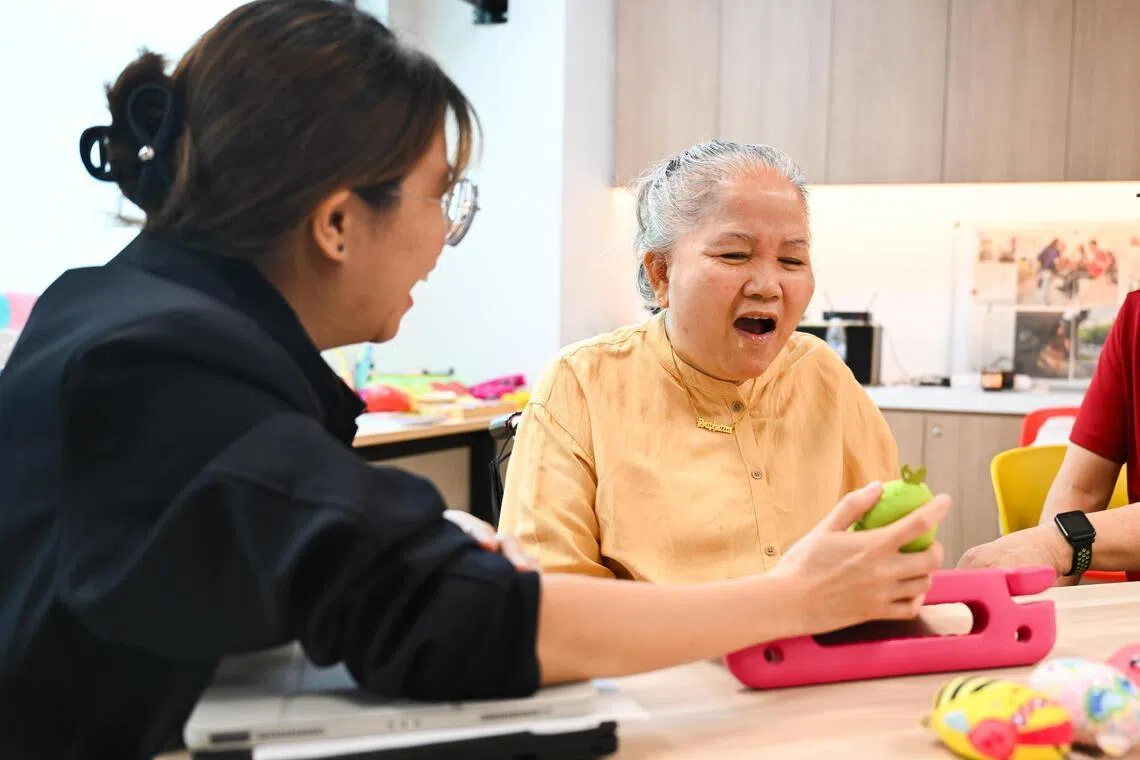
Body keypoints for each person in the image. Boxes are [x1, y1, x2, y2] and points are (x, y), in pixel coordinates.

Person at [0, 4, 948, 757]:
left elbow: (227, 553)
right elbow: (459, 615)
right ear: (338, 223)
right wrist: (794, 599)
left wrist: (391, 536)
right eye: (441, 195)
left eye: (793, 257)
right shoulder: (166, 367)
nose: (447, 235)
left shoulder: (128, 317)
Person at [497, 141, 902, 583]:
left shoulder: (822, 374)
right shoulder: (582, 383)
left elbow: (888, 545)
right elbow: (551, 598)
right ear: (661, 274)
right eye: (734, 255)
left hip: (820, 650)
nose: (768, 286)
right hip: (655, 653)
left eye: (791, 260)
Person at [959, 290, 1140, 584]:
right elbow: (1082, 489)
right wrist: (1042, 599)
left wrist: (1055, 544)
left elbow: (1058, 541)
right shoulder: (1135, 315)